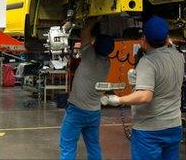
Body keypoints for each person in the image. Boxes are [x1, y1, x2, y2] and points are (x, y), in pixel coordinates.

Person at [102, 16, 184, 160]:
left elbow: (145, 96)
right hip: (173, 127)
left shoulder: (148, 62)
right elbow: (169, 43)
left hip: (150, 131)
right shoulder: (178, 56)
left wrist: (117, 99)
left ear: (144, 40)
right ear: (166, 38)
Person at [59, 17, 115, 160]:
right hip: (94, 113)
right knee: (93, 146)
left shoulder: (90, 56)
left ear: (95, 45)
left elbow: (85, 31)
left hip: (77, 110)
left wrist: (93, 18)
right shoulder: (106, 63)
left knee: (68, 146)